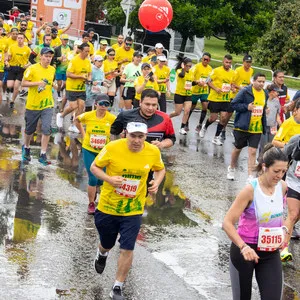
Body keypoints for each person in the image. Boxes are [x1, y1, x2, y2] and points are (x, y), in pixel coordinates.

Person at [90, 120, 166, 300]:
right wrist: (108, 179)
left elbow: (160, 169)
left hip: (133, 209)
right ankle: (102, 253)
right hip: (108, 206)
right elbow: (94, 167)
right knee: (107, 243)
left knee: (127, 247)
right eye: (133, 136)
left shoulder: (153, 151)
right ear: (126, 134)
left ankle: (117, 286)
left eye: (141, 137)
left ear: (145, 137)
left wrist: (156, 182)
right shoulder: (113, 147)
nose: (137, 140)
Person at [223, 145, 289, 300]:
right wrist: (243, 246)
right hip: (245, 250)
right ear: (265, 167)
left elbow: (280, 216)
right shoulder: (250, 190)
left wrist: (284, 230)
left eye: (283, 171)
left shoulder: (283, 187)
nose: (280, 175)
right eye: (276, 171)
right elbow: (227, 222)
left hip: (271, 252)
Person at [75, 94, 116, 214]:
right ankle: (91, 204)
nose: (103, 106)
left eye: (106, 104)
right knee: (93, 178)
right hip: (89, 150)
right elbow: (76, 120)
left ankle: (96, 194)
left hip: (103, 152)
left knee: (101, 180)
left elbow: (120, 129)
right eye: (101, 104)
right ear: (96, 104)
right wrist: (83, 133)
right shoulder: (88, 115)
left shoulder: (112, 118)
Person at [227, 73, 267, 181]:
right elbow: (234, 104)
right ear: (253, 81)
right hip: (243, 126)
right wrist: (246, 107)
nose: (261, 84)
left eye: (263, 82)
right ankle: (231, 167)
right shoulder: (246, 91)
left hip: (256, 128)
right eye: (259, 81)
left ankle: (250, 176)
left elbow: (263, 107)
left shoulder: (265, 93)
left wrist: (265, 111)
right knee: (238, 148)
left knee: (253, 151)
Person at [21, 47, 56, 166]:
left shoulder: (52, 69)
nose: (48, 59)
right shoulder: (32, 69)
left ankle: (43, 154)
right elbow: (23, 83)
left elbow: (50, 83)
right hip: (33, 104)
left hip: (47, 104)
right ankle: (26, 147)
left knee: (46, 128)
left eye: (50, 57)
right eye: (46, 56)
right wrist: (37, 83)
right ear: (40, 56)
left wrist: (54, 86)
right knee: (30, 130)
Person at [110, 89, 176, 149]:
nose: (150, 108)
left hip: (150, 157)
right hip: (128, 156)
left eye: (154, 105)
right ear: (140, 102)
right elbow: (113, 133)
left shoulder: (165, 118)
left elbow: (171, 138)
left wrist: (162, 144)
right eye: (147, 104)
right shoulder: (125, 115)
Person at [199, 54, 235, 145]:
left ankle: (216, 137)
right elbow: (207, 81)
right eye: (226, 62)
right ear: (223, 61)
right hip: (215, 98)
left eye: (230, 63)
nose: (228, 64)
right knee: (213, 118)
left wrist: (232, 88)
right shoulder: (216, 71)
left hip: (225, 99)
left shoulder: (232, 72)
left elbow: (231, 83)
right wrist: (215, 88)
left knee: (223, 118)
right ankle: (205, 127)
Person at [56, 43, 92, 133]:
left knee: (81, 106)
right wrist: (80, 77)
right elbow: (68, 74)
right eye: (85, 51)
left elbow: (89, 73)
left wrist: (89, 79)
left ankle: (74, 125)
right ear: (81, 50)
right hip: (72, 87)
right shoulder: (74, 60)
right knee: (73, 106)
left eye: (88, 51)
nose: (87, 53)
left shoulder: (88, 61)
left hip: (81, 88)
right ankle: (61, 115)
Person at [281, 135, 300, 261]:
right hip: (294, 181)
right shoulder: (297, 139)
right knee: (293, 214)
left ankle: (280, 231)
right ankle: (283, 248)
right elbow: (284, 155)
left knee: (296, 216)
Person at [187, 52, 212, 132]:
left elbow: (210, 79)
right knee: (192, 107)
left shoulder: (210, 69)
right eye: (204, 59)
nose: (205, 61)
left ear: (209, 60)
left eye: (207, 60)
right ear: (202, 59)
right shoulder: (197, 67)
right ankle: (186, 122)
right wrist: (197, 82)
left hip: (204, 91)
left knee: (205, 106)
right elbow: (190, 76)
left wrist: (207, 84)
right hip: (195, 91)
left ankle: (200, 124)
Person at [169, 56, 194, 135]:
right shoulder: (179, 71)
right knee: (177, 112)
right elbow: (182, 75)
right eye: (187, 66)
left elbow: (191, 83)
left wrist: (198, 82)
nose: (189, 68)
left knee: (187, 111)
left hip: (188, 94)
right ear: (183, 65)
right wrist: (183, 68)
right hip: (179, 94)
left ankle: (182, 128)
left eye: (190, 66)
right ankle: (166, 117)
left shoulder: (191, 73)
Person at [6, 32, 31, 108]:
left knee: (16, 86)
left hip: (21, 69)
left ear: (24, 39)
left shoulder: (27, 49)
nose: (20, 40)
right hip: (12, 67)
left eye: (21, 38)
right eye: (18, 38)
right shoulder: (12, 47)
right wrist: (7, 61)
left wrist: (27, 65)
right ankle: (9, 91)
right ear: (17, 39)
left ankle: (12, 101)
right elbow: (7, 57)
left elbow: (31, 59)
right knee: (10, 85)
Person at [258, 84, 282, 155]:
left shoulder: (276, 101)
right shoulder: (264, 99)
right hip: (263, 126)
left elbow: (277, 112)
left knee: (271, 145)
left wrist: (279, 120)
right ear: (271, 92)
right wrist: (264, 111)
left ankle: (266, 160)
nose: (278, 94)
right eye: (277, 92)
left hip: (273, 127)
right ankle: (260, 160)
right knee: (264, 145)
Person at [115, 37, 135, 109]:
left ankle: (121, 111)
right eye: (127, 44)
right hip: (118, 73)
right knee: (113, 93)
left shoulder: (133, 52)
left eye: (130, 44)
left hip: (128, 75)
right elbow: (114, 63)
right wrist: (122, 61)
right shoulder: (118, 50)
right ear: (124, 42)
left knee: (122, 95)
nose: (128, 46)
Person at [53, 34, 73, 101]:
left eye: (67, 40)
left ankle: (61, 89)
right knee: (59, 84)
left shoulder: (70, 48)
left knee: (65, 83)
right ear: (61, 40)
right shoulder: (57, 49)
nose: (66, 41)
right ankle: (58, 94)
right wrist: (59, 58)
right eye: (64, 39)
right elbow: (53, 58)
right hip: (59, 68)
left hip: (67, 69)